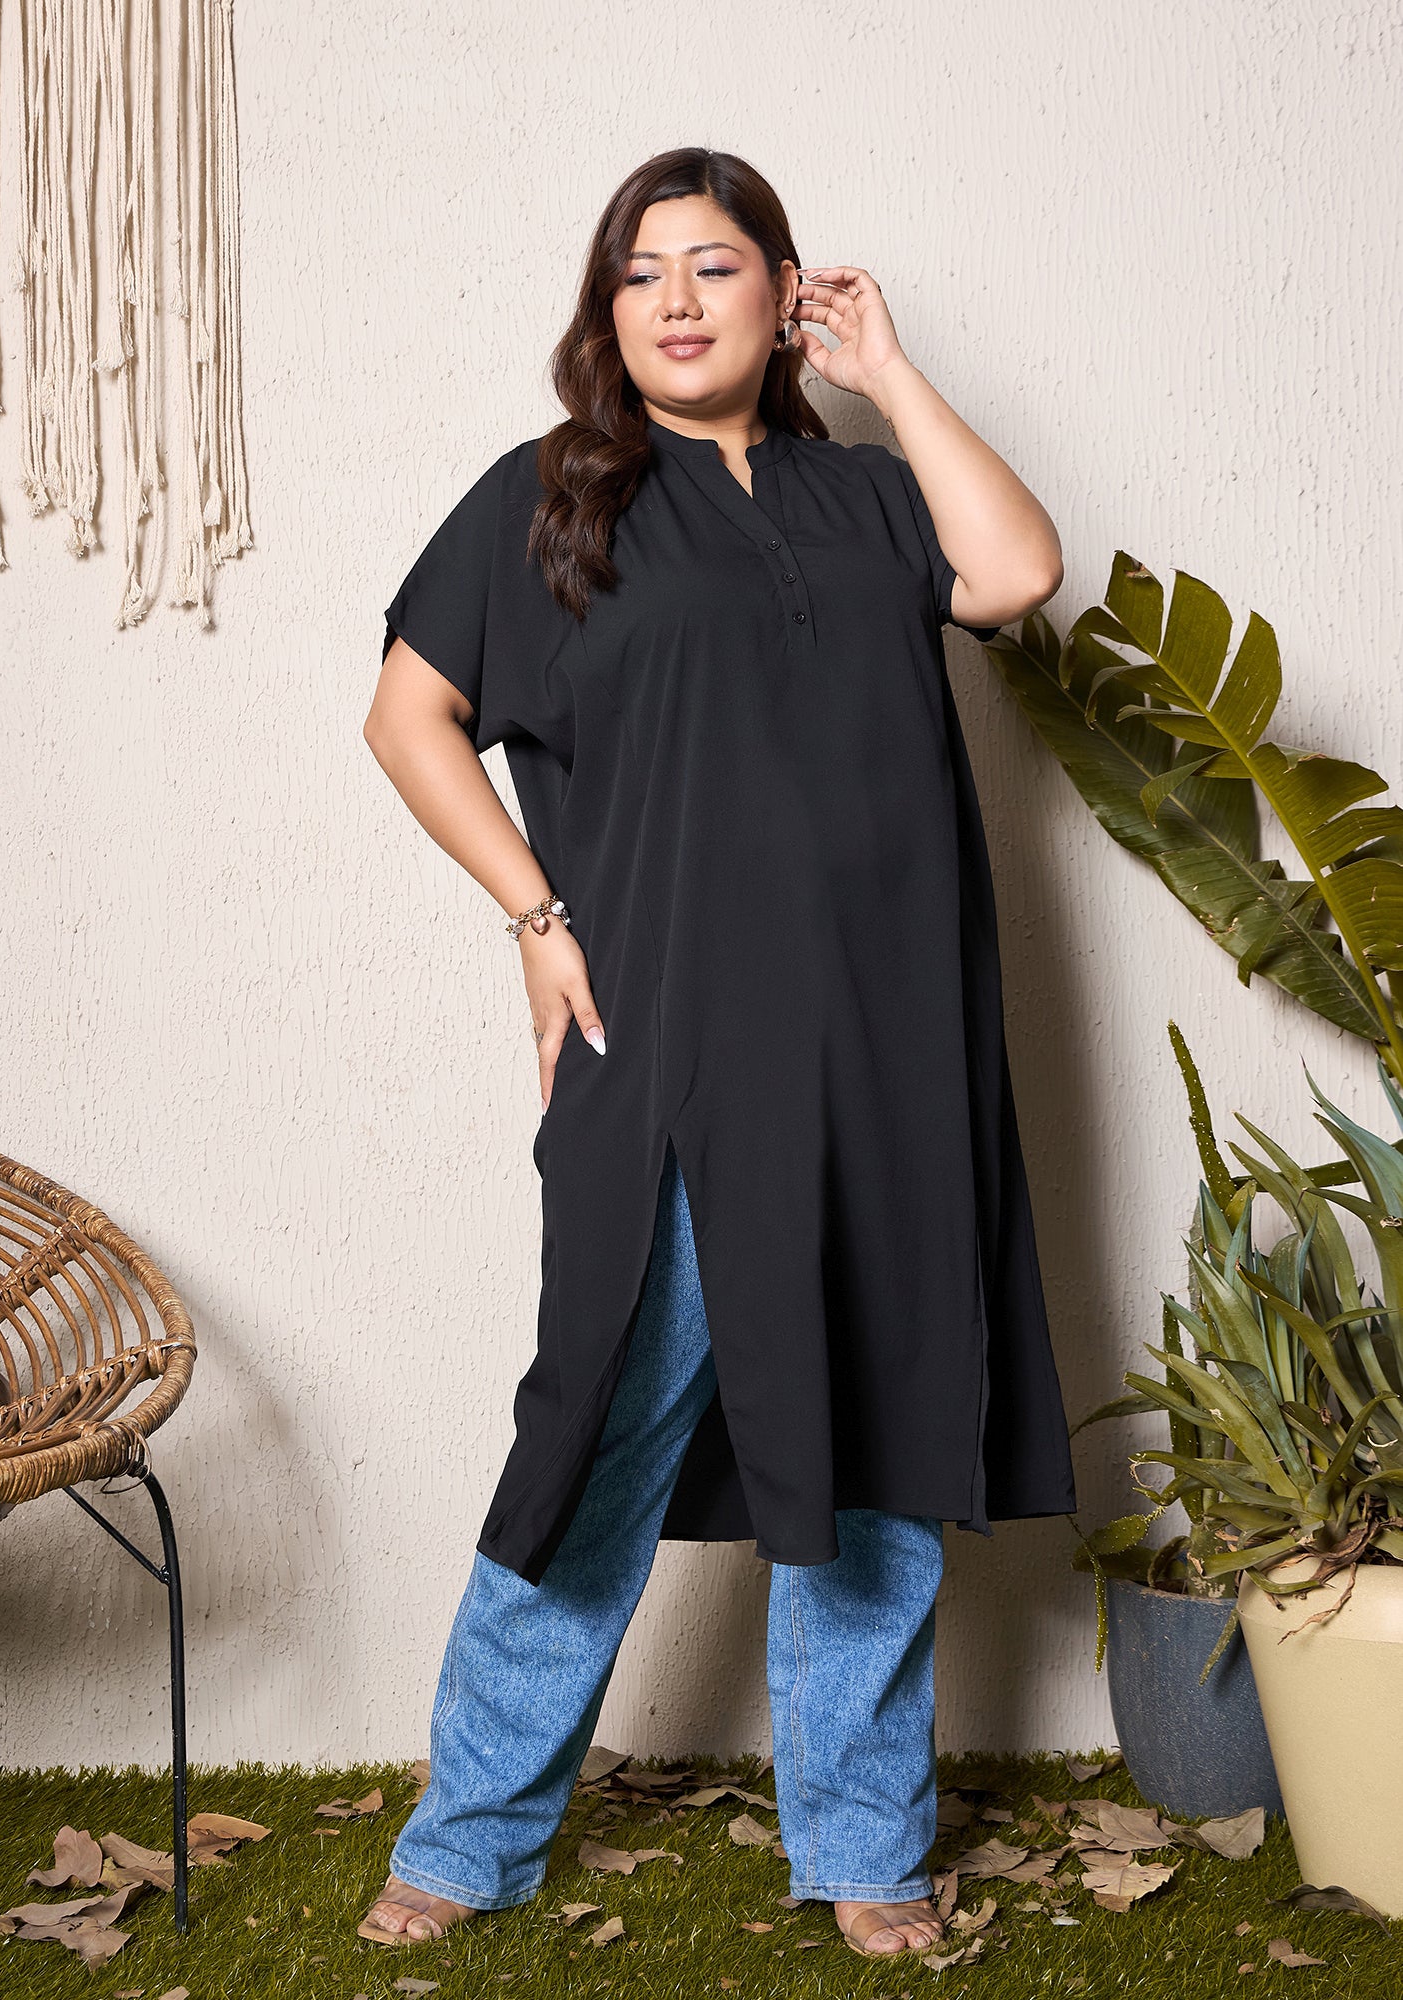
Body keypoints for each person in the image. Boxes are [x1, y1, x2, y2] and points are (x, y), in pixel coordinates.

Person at [360, 146, 1077, 1959]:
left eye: (716, 265)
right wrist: (537, 916)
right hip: (675, 1042)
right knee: (599, 1424)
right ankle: (470, 1834)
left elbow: (1018, 571)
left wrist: (889, 372)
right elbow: (408, 715)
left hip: (893, 1044)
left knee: (879, 1434)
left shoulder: (871, 498)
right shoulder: (551, 497)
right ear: (605, 315)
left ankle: (866, 1848)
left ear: (785, 292)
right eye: (640, 274)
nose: (676, 301)